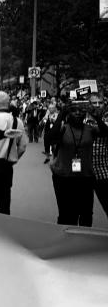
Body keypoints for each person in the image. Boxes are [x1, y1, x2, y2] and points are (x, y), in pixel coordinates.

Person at [47, 98, 108, 227]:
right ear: (69, 113)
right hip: (64, 177)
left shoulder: (90, 129)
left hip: (85, 177)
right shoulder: (63, 128)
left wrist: (97, 117)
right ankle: (66, 243)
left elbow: (105, 133)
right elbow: (50, 137)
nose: (78, 113)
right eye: (74, 111)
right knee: (67, 214)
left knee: (86, 214)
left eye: (81, 111)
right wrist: (61, 114)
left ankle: (83, 242)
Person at [90, 93, 108, 218]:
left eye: (100, 102)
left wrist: (98, 119)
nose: (97, 105)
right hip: (83, 172)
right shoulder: (79, 117)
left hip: (103, 171)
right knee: (84, 210)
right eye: (94, 103)